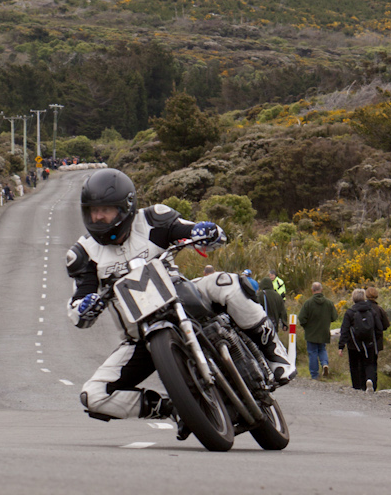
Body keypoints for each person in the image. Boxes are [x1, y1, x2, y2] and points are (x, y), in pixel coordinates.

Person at [66, 169, 294, 428]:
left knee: (227, 283)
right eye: (92, 211)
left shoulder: (153, 219)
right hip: (139, 336)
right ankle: (173, 408)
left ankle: (276, 356)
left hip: (184, 296)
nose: (98, 217)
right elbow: (78, 304)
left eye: (105, 210)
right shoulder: (84, 253)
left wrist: (205, 230)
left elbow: (193, 231)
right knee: (92, 395)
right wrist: (84, 307)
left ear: (124, 207)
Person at [338, 288, 379, 391]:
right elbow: (378, 327)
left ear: (353, 299)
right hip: (369, 343)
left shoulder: (350, 312)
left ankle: (357, 387)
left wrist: (341, 346)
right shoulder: (371, 310)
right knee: (369, 364)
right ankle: (369, 381)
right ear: (364, 297)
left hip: (354, 344)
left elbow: (345, 329)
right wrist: (376, 341)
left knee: (354, 365)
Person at [297, 281, 336, 379]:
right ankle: (324, 364)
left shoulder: (308, 303)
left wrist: (306, 326)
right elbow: (334, 317)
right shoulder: (329, 303)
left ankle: (315, 375)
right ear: (321, 289)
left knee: (312, 352)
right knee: (322, 349)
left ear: (312, 290)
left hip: (311, 333)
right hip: (324, 332)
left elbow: (301, 318)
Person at [365, 285, 390, 388]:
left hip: (362, 339)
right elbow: (386, 325)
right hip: (376, 341)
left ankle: (363, 382)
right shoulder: (379, 309)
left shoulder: (362, 307)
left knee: (363, 361)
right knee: (373, 362)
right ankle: (373, 383)